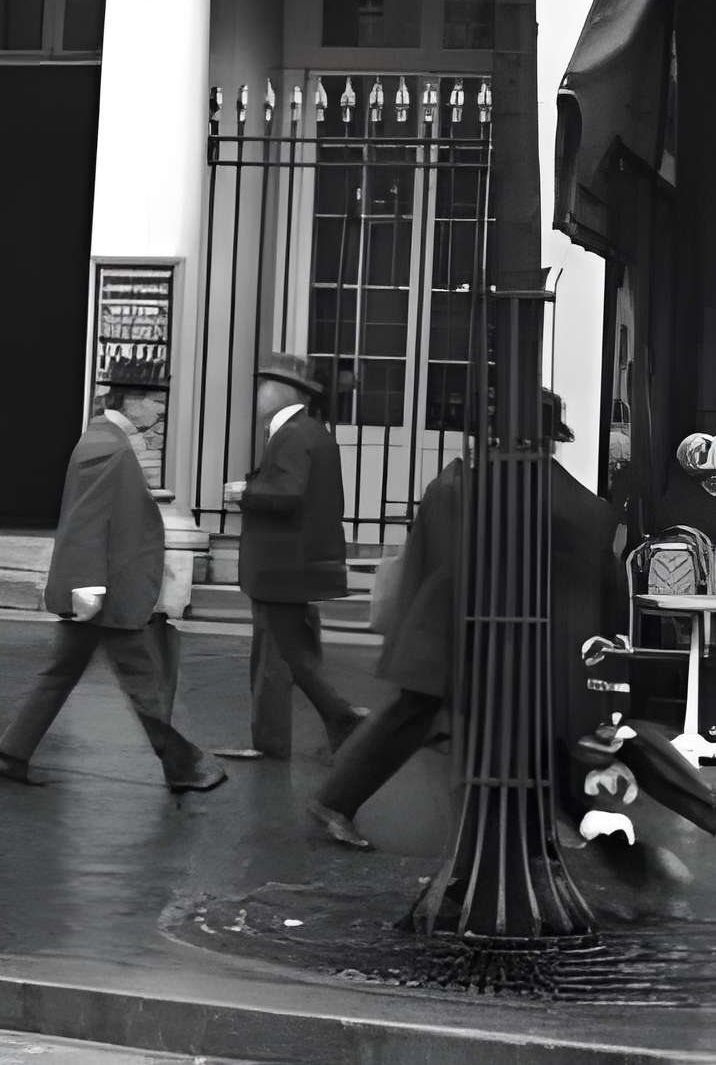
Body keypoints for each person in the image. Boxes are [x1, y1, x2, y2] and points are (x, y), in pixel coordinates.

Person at [310, 391, 623, 849]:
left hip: (448, 627)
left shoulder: (470, 480)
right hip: (457, 630)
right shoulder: (517, 488)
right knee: (419, 719)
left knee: (423, 718)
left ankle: (555, 815)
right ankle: (335, 802)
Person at [0, 366, 226, 793]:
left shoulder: (108, 441)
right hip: (107, 591)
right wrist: (88, 586)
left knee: (62, 673)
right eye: (154, 400)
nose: (159, 409)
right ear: (129, 401)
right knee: (142, 683)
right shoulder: (107, 446)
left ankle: (12, 753)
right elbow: (86, 520)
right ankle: (184, 766)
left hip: (105, 588)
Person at [219, 353, 369, 761]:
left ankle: (334, 722)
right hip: (290, 567)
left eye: (264, 384)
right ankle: (329, 724)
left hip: (282, 568)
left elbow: (287, 494)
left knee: (278, 657)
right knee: (287, 655)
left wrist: (243, 494)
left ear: (285, 391)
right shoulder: (302, 432)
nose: (258, 392)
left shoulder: (294, 434)